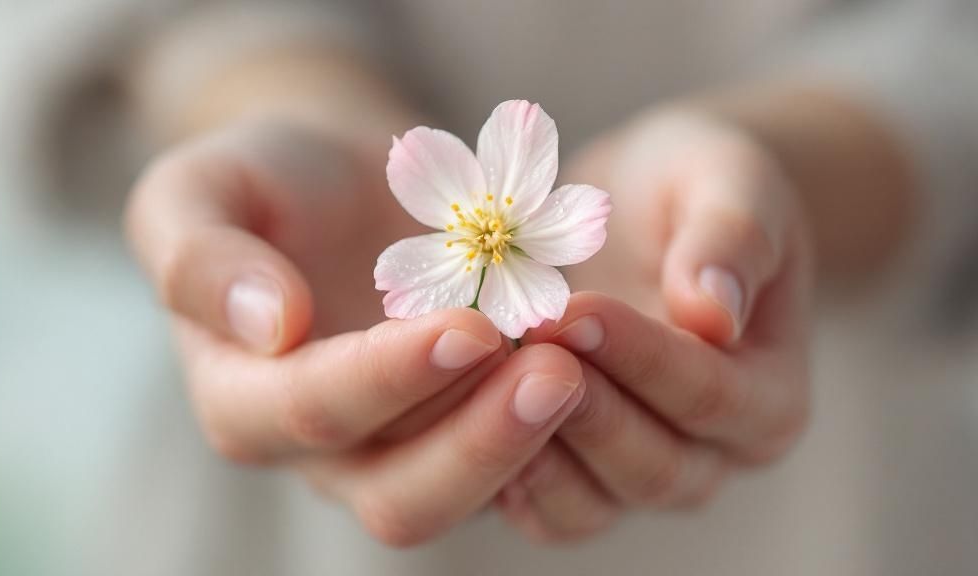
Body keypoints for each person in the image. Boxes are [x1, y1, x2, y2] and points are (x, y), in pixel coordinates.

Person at [113, 1, 977, 573]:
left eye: (490, 225)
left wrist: (793, 173)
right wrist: (277, 90)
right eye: (481, 226)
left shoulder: (541, 244)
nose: (486, 228)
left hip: (865, 485)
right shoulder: (442, 243)